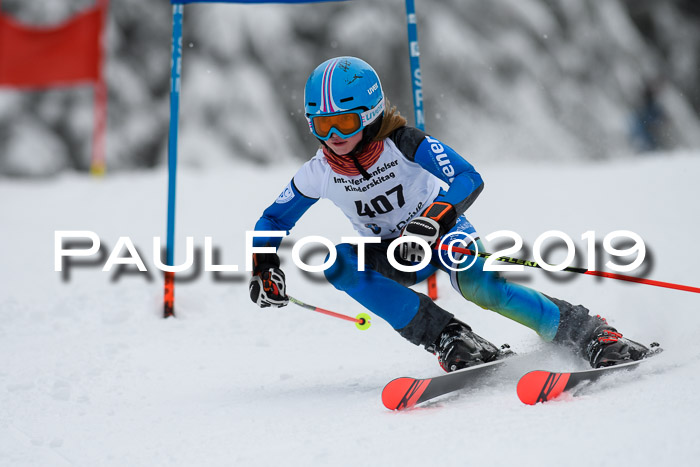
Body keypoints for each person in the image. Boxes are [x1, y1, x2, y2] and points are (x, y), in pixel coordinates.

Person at [249, 56, 650, 371]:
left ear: (370, 114)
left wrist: (433, 220)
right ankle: (450, 337)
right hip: (393, 252)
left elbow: (466, 176)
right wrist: (264, 266)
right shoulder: (318, 173)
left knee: (482, 289)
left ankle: (592, 334)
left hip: (442, 234)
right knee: (337, 264)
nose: (332, 137)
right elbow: (273, 219)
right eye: (321, 124)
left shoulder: (404, 143)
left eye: (343, 123)